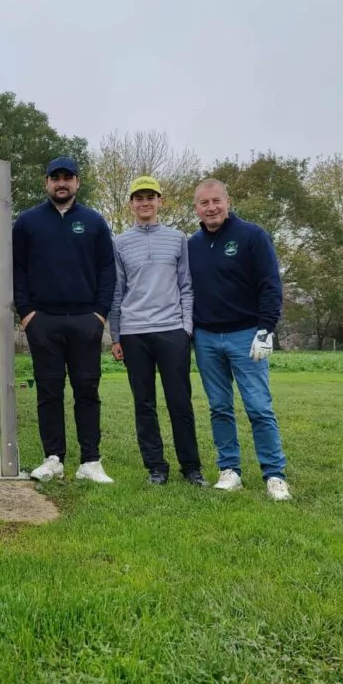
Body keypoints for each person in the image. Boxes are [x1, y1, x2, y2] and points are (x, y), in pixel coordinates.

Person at [13, 157, 117, 484]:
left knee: (87, 391)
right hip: (43, 321)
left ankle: (90, 461)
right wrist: (27, 313)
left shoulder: (94, 221)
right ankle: (54, 458)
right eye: (55, 178)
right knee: (49, 391)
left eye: (67, 178)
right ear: (46, 183)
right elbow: (17, 269)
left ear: (77, 182)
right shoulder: (27, 222)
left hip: (86, 320)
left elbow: (107, 271)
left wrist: (100, 314)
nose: (62, 183)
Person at [188, 179, 291, 501]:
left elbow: (271, 285)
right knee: (219, 408)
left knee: (259, 407)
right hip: (205, 337)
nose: (211, 208)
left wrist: (266, 330)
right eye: (204, 203)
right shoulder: (191, 244)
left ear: (227, 201)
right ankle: (229, 470)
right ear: (196, 208)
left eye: (216, 201)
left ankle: (274, 475)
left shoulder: (252, 236)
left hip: (247, 335)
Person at [109, 176, 207, 487]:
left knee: (180, 402)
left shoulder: (178, 238)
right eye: (139, 198)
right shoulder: (120, 242)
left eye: (150, 196)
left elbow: (187, 286)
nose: (145, 202)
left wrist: (186, 327)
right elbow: (117, 291)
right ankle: (156, 468)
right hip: (134, 332)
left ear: (160, 201)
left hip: (171, 330)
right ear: (131, 204)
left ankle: (191, 468)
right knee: (144, 404)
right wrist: (116, 335)